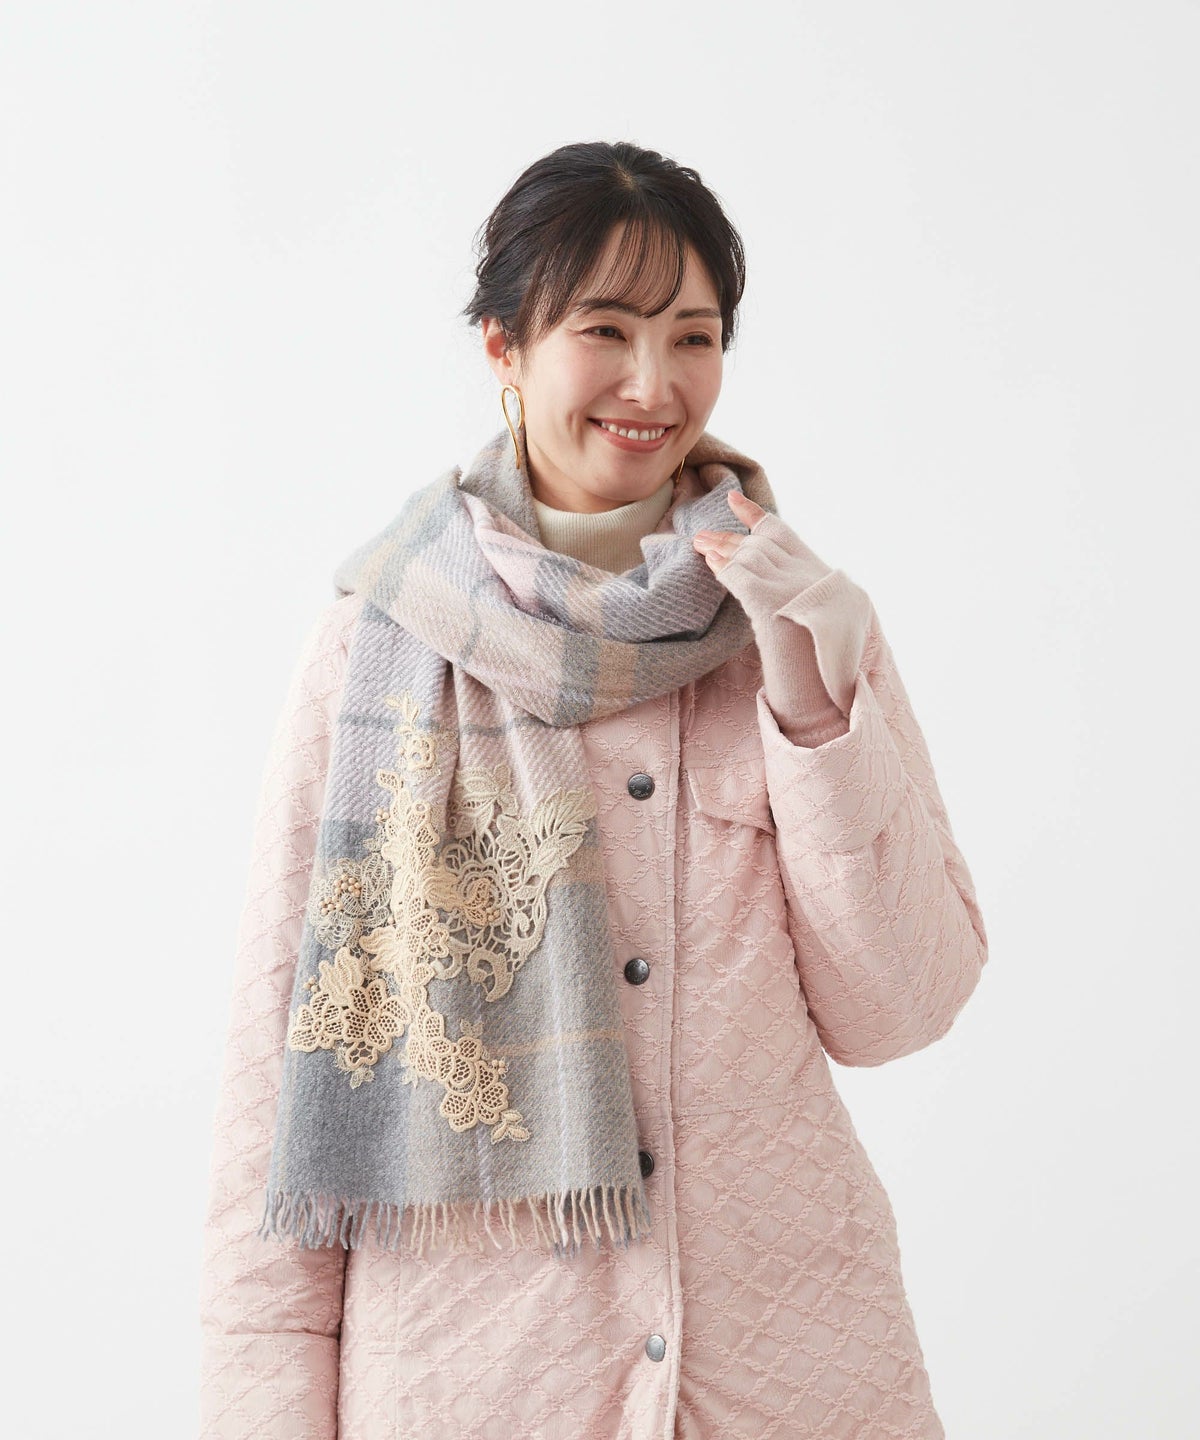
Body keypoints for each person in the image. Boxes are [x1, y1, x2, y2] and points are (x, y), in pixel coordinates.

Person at [199, 139, 988, 1440]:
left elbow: (902, 1007)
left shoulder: (798, 617)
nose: (652, 384)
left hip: (791, 1373)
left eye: (693, 337)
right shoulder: (377, 648)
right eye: (606, 330)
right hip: (480, 1386)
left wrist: (813, 706)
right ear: (505, 345)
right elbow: (273, 1098)